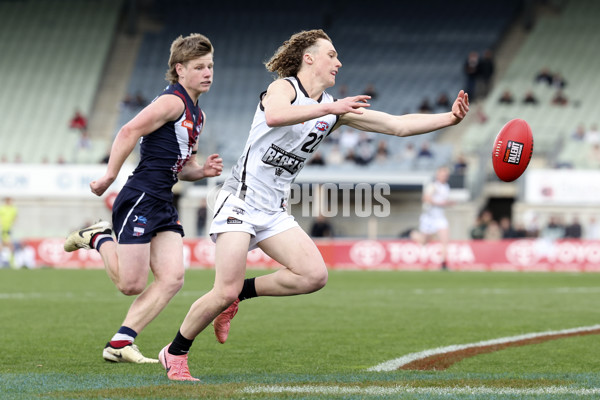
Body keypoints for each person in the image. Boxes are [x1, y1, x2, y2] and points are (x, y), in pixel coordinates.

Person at [157, 29, 469, 381]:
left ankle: (238, 297)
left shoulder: (334, 109)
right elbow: (275, 115)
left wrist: (450, 119)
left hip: (273, 209)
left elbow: (397, 126)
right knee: (222, 287)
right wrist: (331, 107)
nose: (338, 62)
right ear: (309, 58)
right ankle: (175, 352)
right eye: (332, 55)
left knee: (313, 276)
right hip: (240, 200)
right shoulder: (285, 87)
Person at [63, 33, 223, 364]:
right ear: (179, 69)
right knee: (130, 284)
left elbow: (184, 166)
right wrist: (109, 176)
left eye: (210, 66)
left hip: (163, 199)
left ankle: (120, 343)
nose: (207, 72)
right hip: (141, 196)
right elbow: (127, 131)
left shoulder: (198, 115)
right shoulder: (172, 102)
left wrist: (202, 171)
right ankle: (98, 237)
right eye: (199, 67)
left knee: (173, 278)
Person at [410, 166, 453, 270]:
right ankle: (412, 234)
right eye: (443, 174)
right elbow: (425, 198)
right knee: (424, 241)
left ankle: (444, 264)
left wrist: (447, 203)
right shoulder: (433, 186)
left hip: (440, 218)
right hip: (429, 218)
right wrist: (440, 203)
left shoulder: (446, 186)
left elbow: (443, 201)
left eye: (446, 175)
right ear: (438, 175)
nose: (445, 177)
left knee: (445, 240)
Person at [0, 197, 18, 268]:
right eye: (10, 201)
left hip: (8, 229)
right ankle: (4, 262)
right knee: (2, 245)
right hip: (2, 229)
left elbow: (15, 217)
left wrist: (13, 223)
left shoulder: (13, 209)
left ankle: (12, 262)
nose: (11, 203)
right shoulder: (2, 208)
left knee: (9, 245)